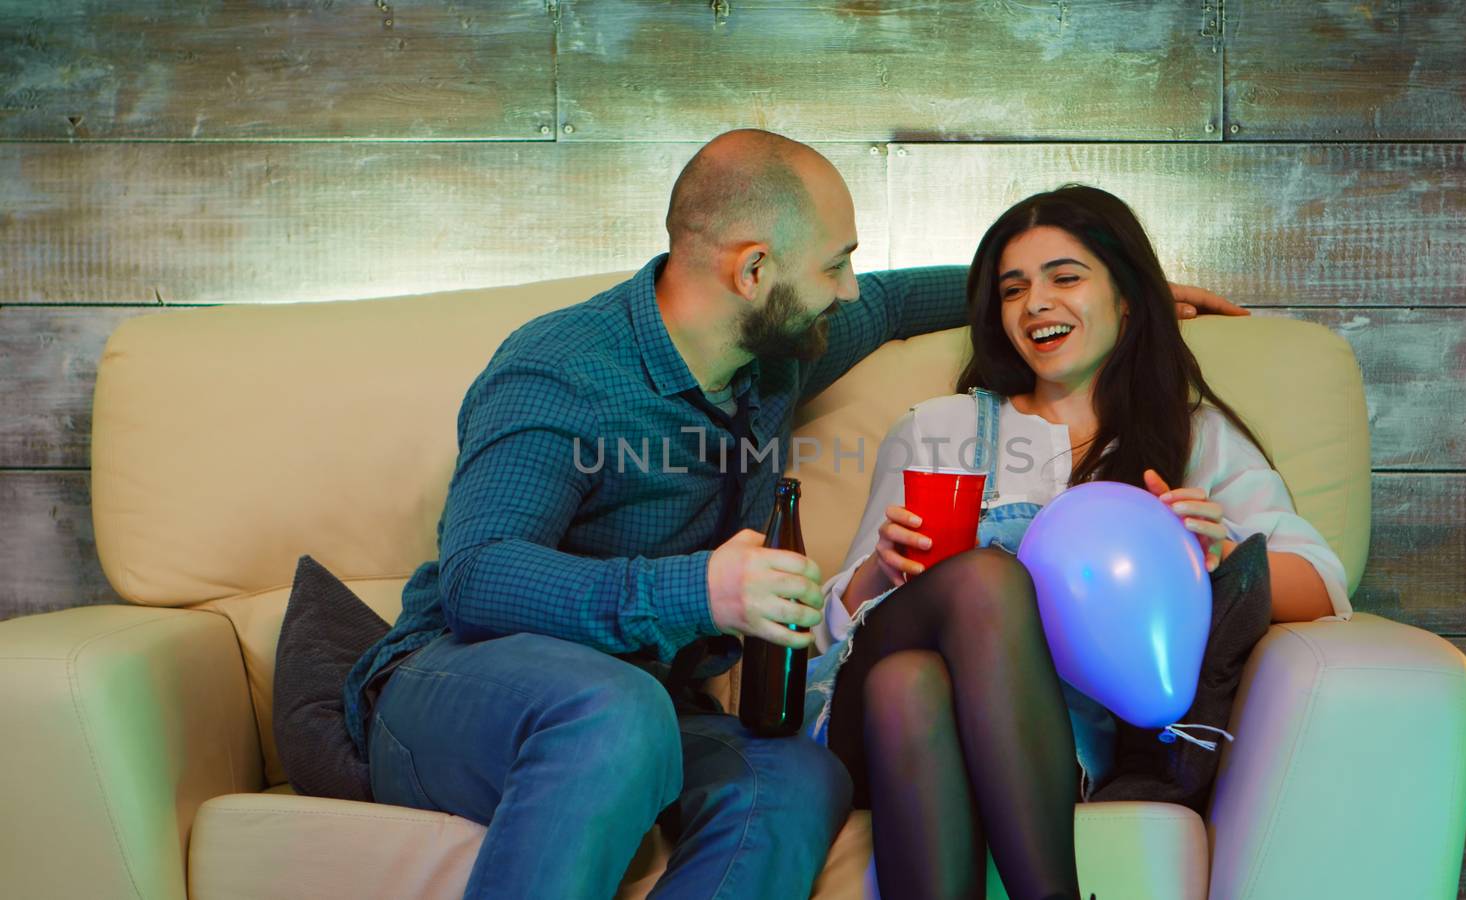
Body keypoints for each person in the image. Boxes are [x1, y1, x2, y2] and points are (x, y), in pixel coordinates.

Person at [340, 128, 1245, 900]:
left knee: (799, 777)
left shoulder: (774, 350)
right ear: (754, 270)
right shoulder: (561, 374)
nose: (849, 289)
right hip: (458, 680)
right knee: (613, 709)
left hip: (661, 699)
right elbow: (477, 576)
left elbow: (893, 301)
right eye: (836, 265)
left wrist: (1125, 303)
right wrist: (701, 590)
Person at [804, 184, 1354, 900]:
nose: (1035, 303)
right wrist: (878, 572)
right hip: (858, 721)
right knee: (978, 588)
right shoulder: (938, 429)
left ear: (1126, 299)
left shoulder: (1191, 441)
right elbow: (823, 632)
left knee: (911, 689)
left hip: (1045, 744)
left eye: (1065, 278)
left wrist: (1211, 561)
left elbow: (1323, 582)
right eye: (1013, 289)